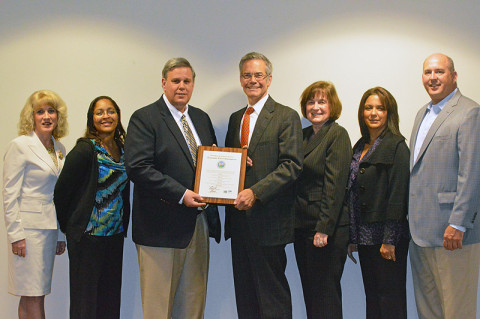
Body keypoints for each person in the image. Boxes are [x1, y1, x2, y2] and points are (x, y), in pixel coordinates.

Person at [124, 57, 220, 319]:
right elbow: (138, 167)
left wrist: (230, 165)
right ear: (164, 83)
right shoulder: (145, 118)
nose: (181, 86)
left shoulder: (200, 118)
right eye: (175, 81)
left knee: (193, 306)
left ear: (193, 84)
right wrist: (181, 194)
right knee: (159, 308)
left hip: (198, 226)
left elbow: (209, 162)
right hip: (160, 229)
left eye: (187, 81)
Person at [224, 52, 303, 319]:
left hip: (269, 222)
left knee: (272, 296)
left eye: (258, 75)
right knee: (245, 295)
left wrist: (256, 192)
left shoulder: (285, 116)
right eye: (247, 75)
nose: (253, 80)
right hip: (238, 220)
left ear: (269, 79)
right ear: (240, 79)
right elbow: (231, 162)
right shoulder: (237, 118)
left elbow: (292, 165)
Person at [409, 53, 480, 319]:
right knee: (429, 310)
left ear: (454, 76)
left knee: (457, 311)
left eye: (439, 72)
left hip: (453, 234)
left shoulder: (469, 112)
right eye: (428, 72)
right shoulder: (421, 114)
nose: (433, 78)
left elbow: (472, 173)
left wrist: (459, 223)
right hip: (421, 234)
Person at [54, 96, 129, 319]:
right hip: (88, 239)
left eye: (110, 111)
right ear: (91, 119)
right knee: (85, 303)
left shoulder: (124, 148)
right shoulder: (85, 150)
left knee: (109, 300)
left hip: (114, 236)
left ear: (118, 115)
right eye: (99, 112)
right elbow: (61, 193)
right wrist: (72, 226)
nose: (106, 116)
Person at [3, 90, 68, 319]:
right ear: (32, 117)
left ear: (58, 116)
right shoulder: (20, 146)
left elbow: (58, 195)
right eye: (40, 111)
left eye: (51, 111)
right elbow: (9, 194)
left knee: (36, 293)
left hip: (49, 230)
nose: (46, 116)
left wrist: (60, 234)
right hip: (28, 232)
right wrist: (15, 235)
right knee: (32, 294)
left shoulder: (59, 149)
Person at [346, 87, 410, 319]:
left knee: (390, 299)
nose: (373, 113)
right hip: (364, 238)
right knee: (372, 296)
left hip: (386, 239)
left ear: (389, 112)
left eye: (380, 108)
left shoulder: (397, 146)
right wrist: (352, 237)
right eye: (368, 107)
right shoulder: (359, 145)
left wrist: (389, 240)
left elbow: (398, 196)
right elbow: (352, 193)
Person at [293, 81, 351, 319]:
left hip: (326, 230)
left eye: (321, 102)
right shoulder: (302, 136)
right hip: (302, 226)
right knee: (311, 294)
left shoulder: (337, 134)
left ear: (332, 105)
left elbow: (335, 186)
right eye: (311, 102)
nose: (315, 107)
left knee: (326, 296)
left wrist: (323, 229)